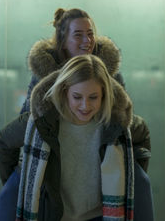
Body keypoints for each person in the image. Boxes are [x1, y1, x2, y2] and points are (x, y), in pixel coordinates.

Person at [0, 8, 153, 220]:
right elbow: (24, 129)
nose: (87, 40)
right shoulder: (43, 86)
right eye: (78, 34)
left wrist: (129, 173)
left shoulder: (109, 75)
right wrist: (24, 180)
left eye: (90, 34)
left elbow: (127, 123)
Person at [17, 54, 134, 220]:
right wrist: (13, 179)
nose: (85, 106)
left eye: (93, 97)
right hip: (55, 216)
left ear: (104, 94)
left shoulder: (113, 125)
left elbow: (143, 139)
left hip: (100, 216)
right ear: (65, 92)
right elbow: (4, 141)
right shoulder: (46, 123)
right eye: (77, 97)